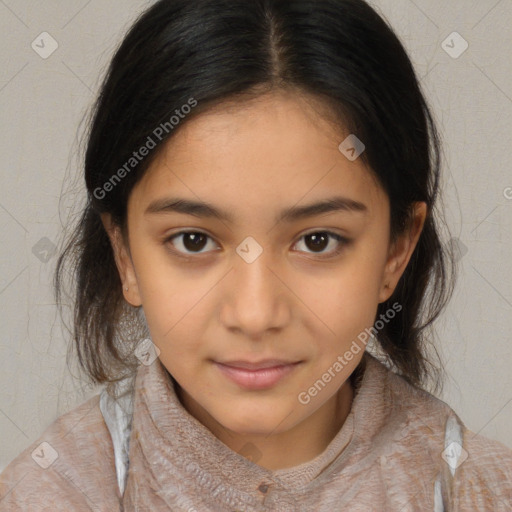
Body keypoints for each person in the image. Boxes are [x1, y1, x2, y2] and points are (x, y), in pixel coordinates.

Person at [1, 0, 511, 510]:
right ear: (125, 254)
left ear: (396, 250)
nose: (255, 314)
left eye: (318, 241)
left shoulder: (478, 491)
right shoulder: (50, 493)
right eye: (193, 240)